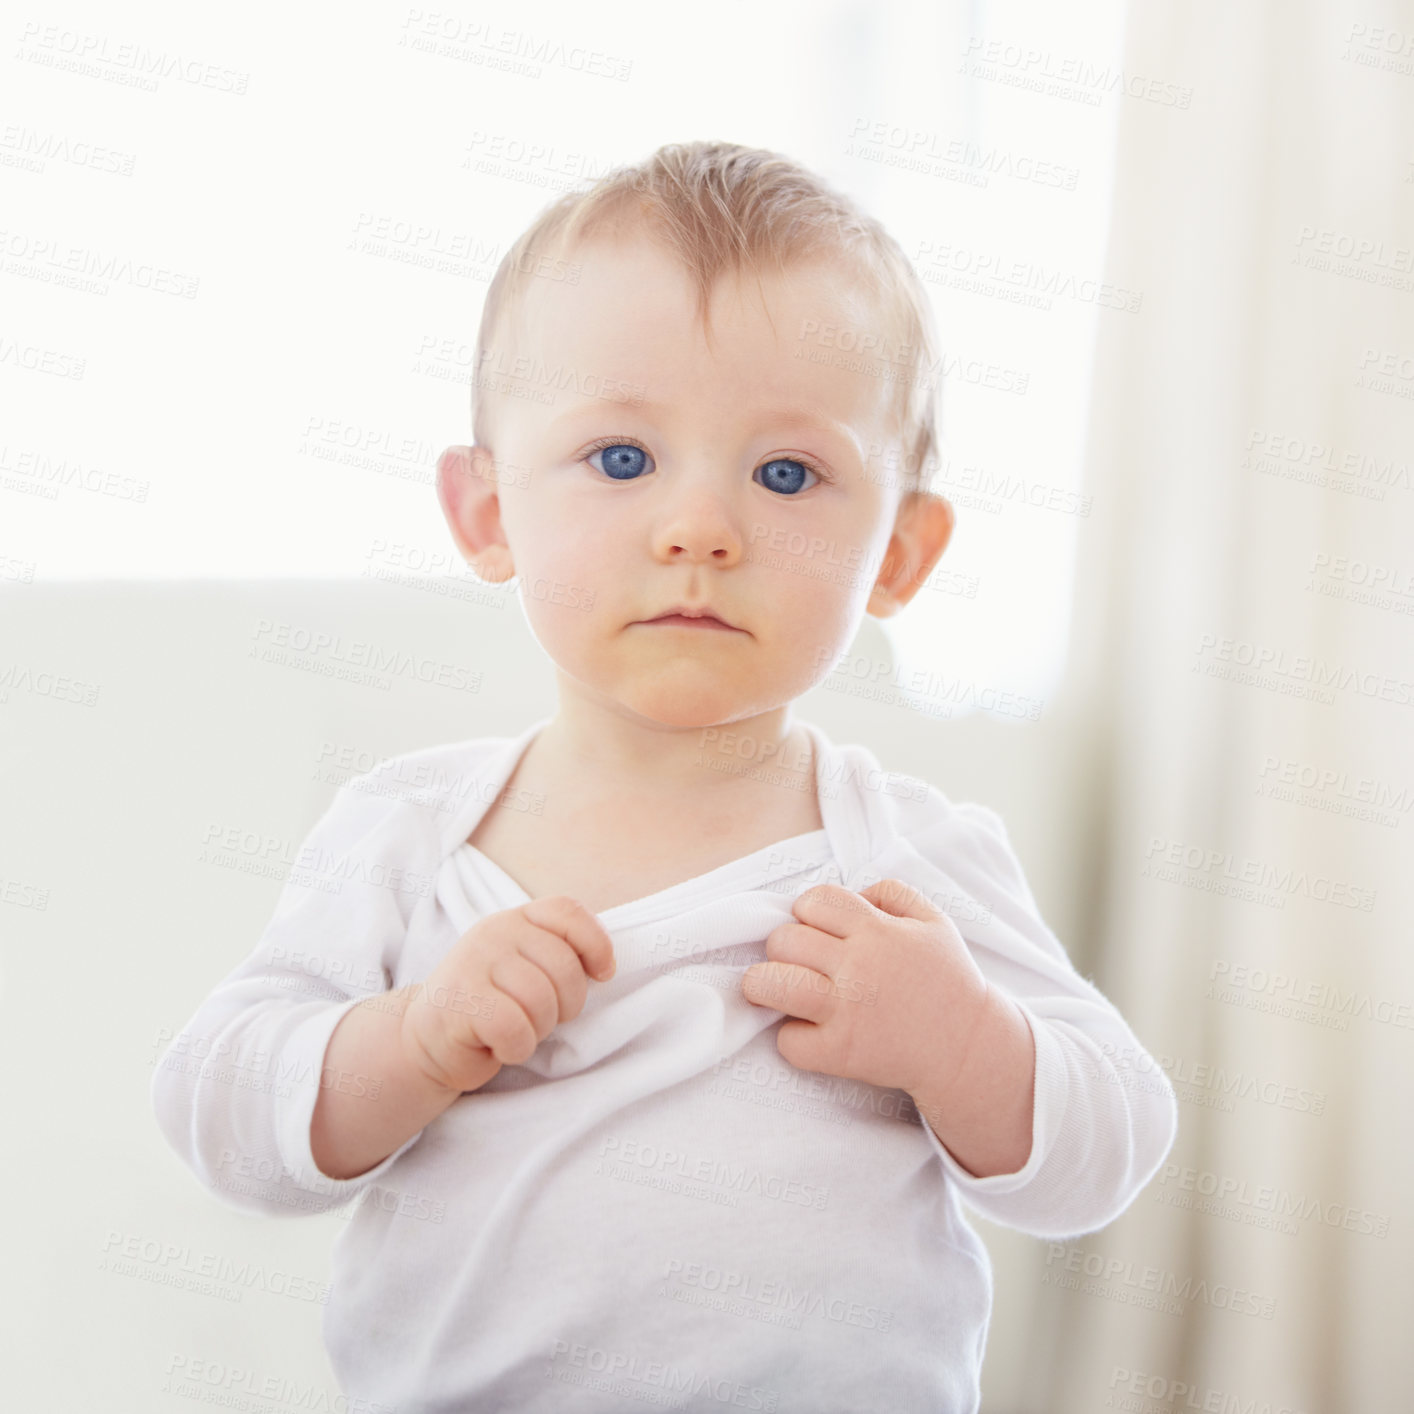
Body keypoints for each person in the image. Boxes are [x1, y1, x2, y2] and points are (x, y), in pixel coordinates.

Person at [151, 140, 1177, 1412]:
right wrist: (409, 1040)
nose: (701, 528)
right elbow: (220, 1111)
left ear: (901, 551)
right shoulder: (411, 835)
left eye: (786, 472)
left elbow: (1112, 1142)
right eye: (623, 459)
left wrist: (959, 1039)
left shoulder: (904, 861)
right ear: (486, 514)